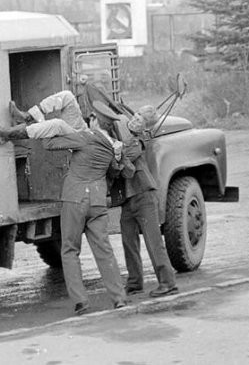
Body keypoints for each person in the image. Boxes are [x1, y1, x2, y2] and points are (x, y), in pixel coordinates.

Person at [41, 109, 127, 315]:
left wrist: (47, 126)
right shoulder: (112, 146)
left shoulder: (85, 138)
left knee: (70, 250)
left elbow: (49, 144)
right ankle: (119, 298)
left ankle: (81, 301)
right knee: (104, 250)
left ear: (95, 121)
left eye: (91, 118)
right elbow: (114, 172)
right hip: (97, 200)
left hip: (75, 198)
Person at [94, 101, 179, 298]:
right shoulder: (128, 137)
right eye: (136, 115)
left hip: (143, 195)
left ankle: (168, 283)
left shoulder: (138, 140)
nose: (135, 119)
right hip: (128, 199)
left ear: (146, 126)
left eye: (140, 118)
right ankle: (134, 283)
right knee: (128, 241)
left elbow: (123, 160)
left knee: (153, 241)